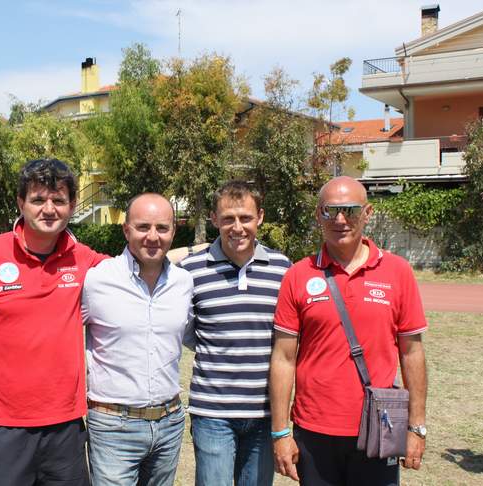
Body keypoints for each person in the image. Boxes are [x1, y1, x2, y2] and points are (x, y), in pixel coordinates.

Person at [0, 158, 106, 485]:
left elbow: (141, 262)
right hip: (0, 426)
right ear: (21, 203)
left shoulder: (82, 258)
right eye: (39, 200)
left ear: (71, 206)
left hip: (66, 426)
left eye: (59, 200)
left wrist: (207, 250)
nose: (49, 209)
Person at [271, 176, 428, 486]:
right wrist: (280, 432)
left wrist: (417, 427)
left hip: (378, 427)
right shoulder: (298, 275)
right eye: (330, 211)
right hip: (313, 430)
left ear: (367, 213)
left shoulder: (398, 271)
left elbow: (412, 352)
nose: (340, 220)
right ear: (318, 215)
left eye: (351, 210)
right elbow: (283, 358)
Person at [180, 180, 291, 486]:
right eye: (228, 218)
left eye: (245, 217)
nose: (237, 227)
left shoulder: (283, 269)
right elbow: (189, 332)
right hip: (212, 412)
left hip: (264, 412)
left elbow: (288, 340)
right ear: (214, 219)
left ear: (261, 218)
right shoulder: (191, 271)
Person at [82, 193, 194, 486]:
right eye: (143, 227)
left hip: (169, 423)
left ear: (173, 231)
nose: (153, 236)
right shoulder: (96, 281)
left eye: (163, 228)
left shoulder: (184, 284)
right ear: (126, 229)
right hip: (112, 426)